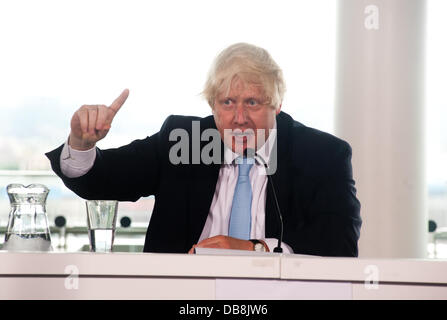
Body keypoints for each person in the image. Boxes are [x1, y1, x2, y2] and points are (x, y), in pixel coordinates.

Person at [46, 43, 362, 256]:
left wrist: (252, 249)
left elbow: (340, 244)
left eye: (252, 102)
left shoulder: (321, 154)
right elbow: (100, 179)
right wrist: (82, 143)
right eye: (227, 102)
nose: (239, 118)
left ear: (277, 104)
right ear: (212, 105)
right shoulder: (184, 139)